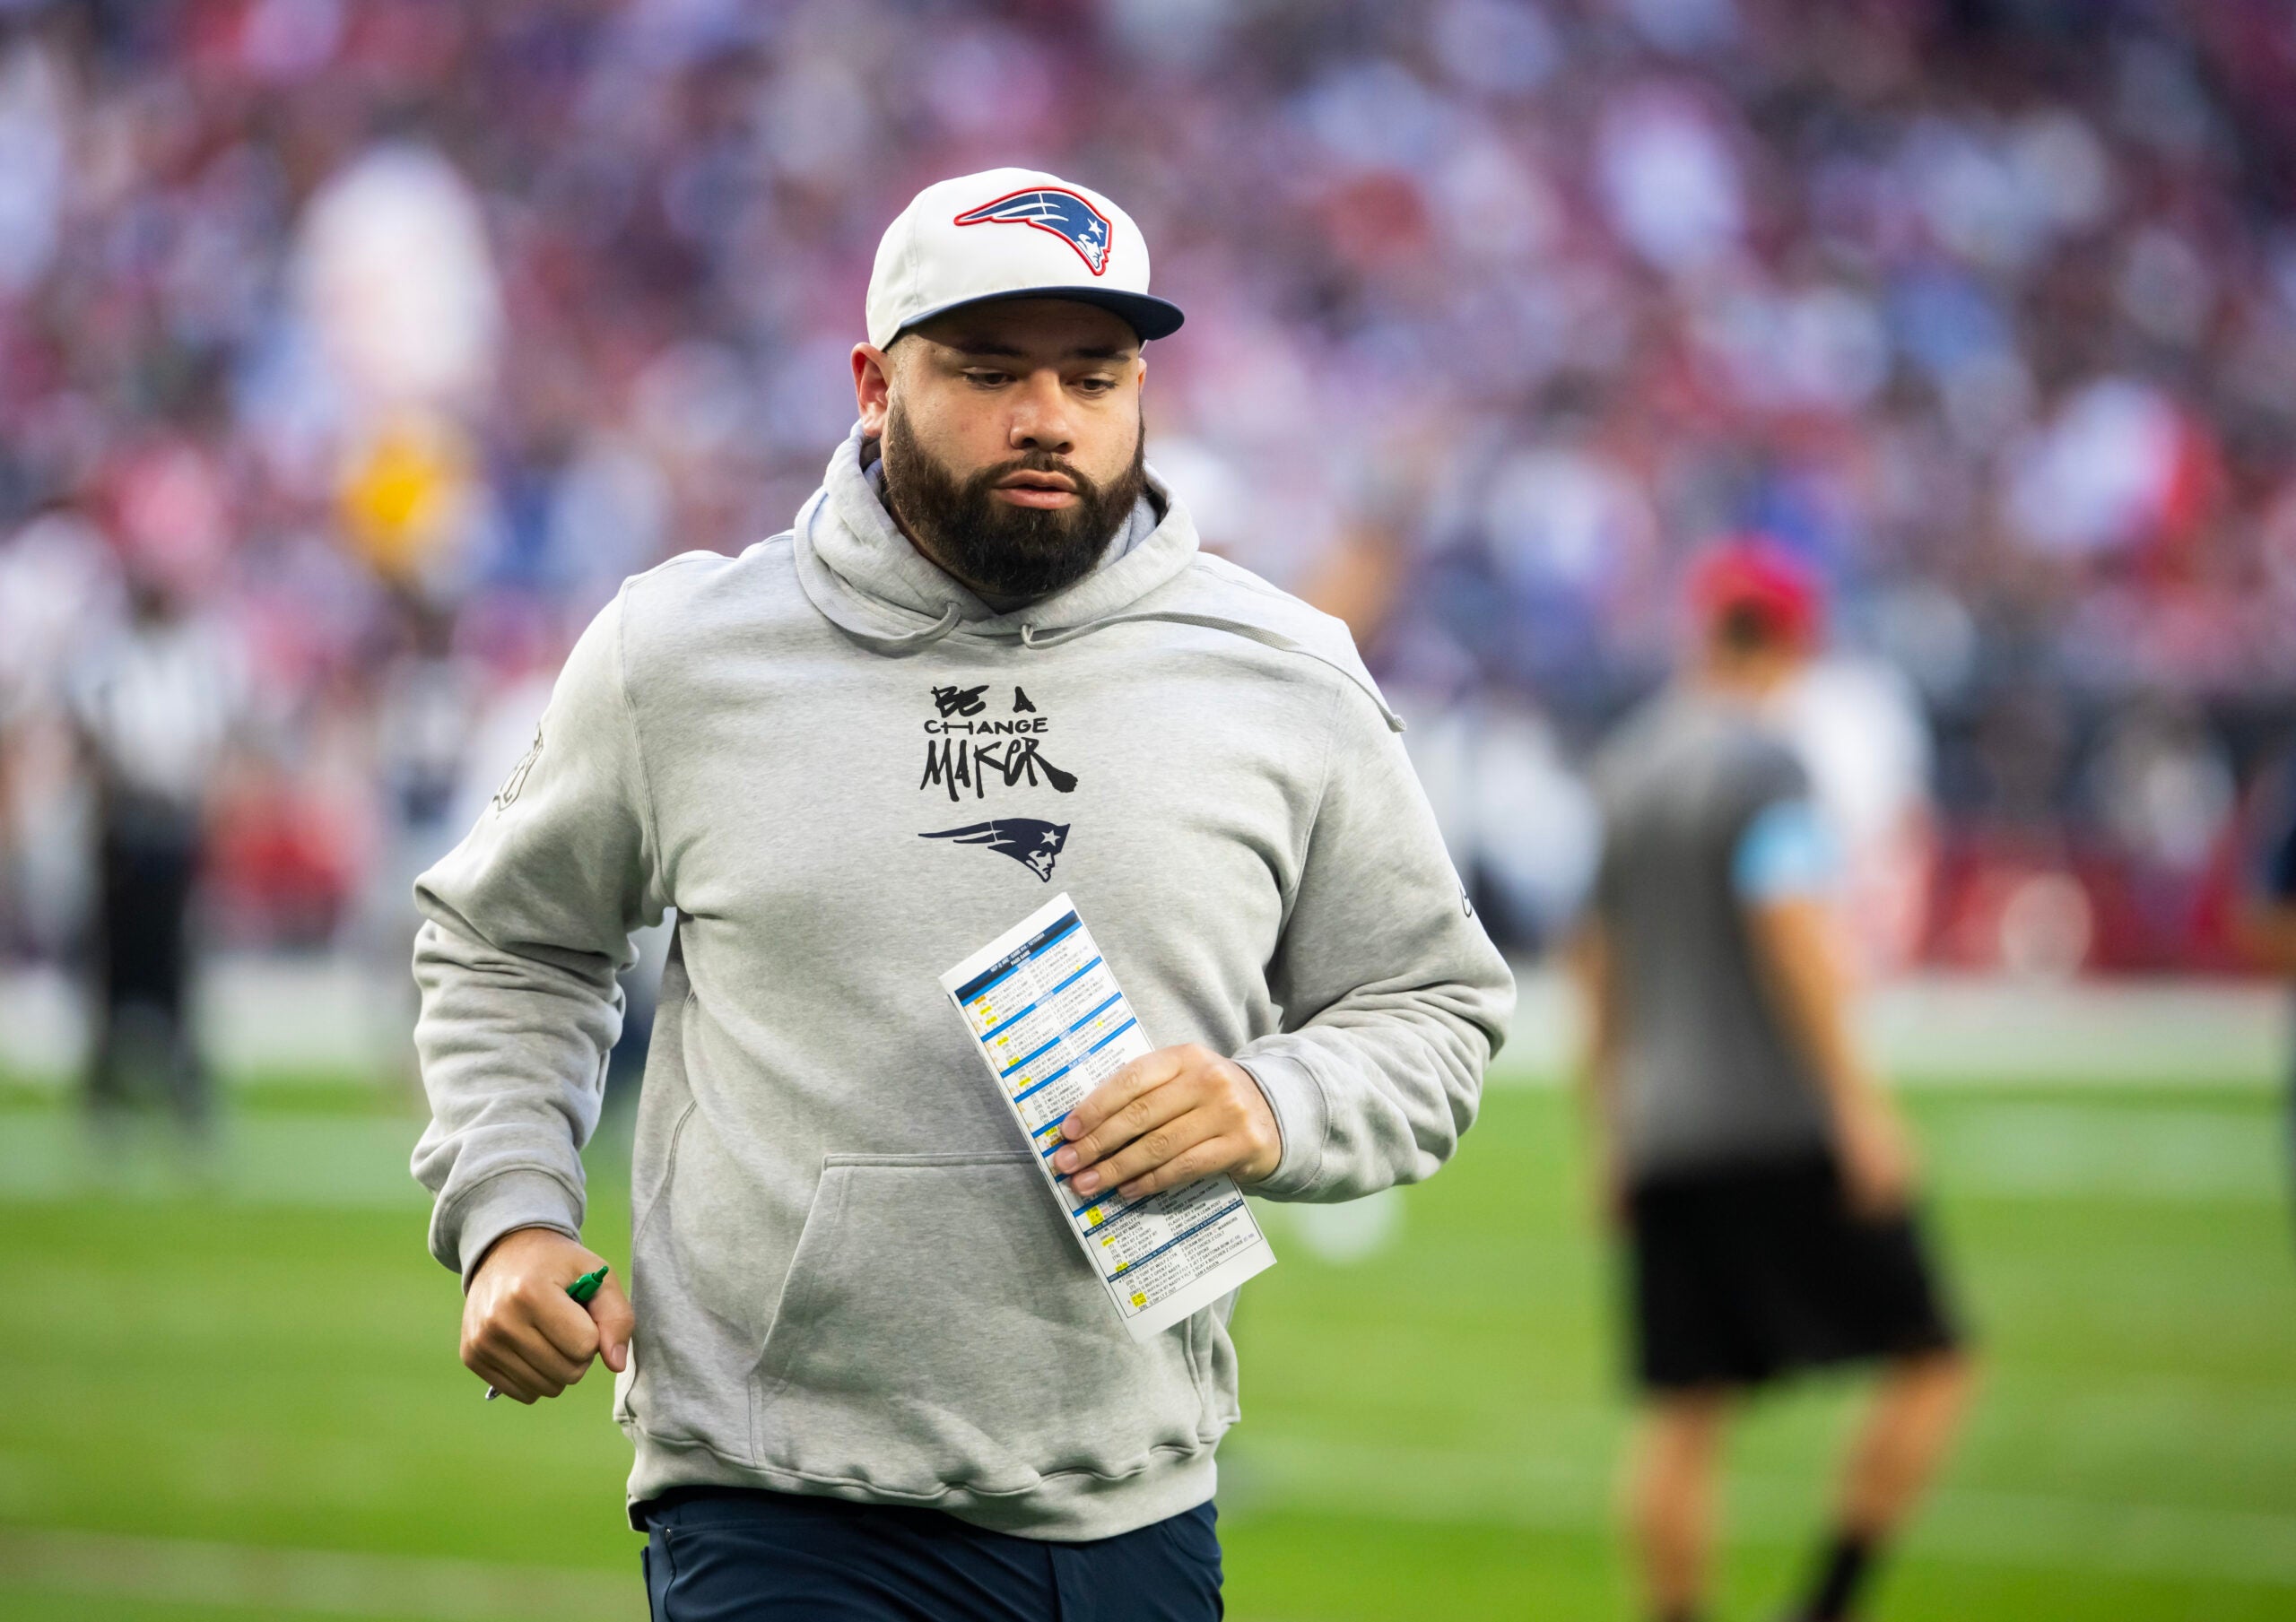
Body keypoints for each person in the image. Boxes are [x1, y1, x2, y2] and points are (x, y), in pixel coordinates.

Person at [409, 168, 1514, 1620]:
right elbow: (510, 935)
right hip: (774, 1498)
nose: (1047, 412)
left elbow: (1433, 1006)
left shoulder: (1284, 672)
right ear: (875, 383)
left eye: (1093, 374)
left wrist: (1273, 1103)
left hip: (1138, 1497)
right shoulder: (682, 653)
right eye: (989, 370)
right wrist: (509, 1210)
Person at [1569, 539, 1975, 1622]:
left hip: (1661, 1126)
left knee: (1680, 1415)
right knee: (1934, 1360)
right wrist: (1859, 1104)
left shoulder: (1625, 766)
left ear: (1705, 628)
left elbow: (1597, 967)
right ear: (1794, 642)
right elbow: (1792, 931)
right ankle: (1829, 1604)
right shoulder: (1765, 766)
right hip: (1773, 1120)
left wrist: (1606, 1129)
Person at [67, 563, 248, 1132]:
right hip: (127, 824)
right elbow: (94, 742)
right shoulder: (110, 661)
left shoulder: (194, 663)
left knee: (175, 961)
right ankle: (108, 1090)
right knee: (117, 962)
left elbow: (210, 744)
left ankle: (179, 1088)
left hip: (171, 824)